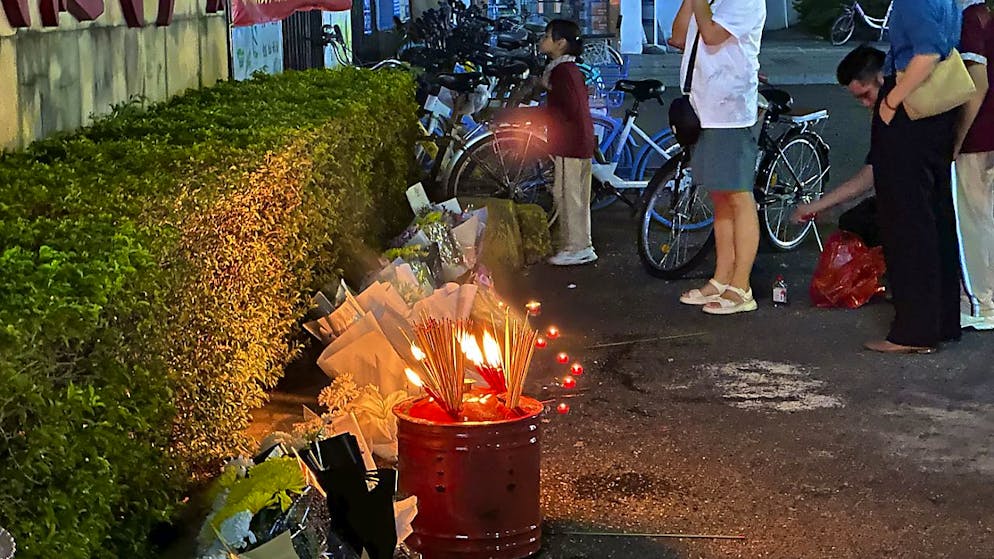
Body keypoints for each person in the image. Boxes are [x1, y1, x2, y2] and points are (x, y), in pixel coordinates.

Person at [861, 0, 962, 354]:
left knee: (907, 220)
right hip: (938, 110)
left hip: (911, 111)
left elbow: (928, 51)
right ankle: (942, 320)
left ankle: (914, 330)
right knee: (934, 216)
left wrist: (891, 102)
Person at [671, 0, 766, 315]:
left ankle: (742, 286)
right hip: (704, 109)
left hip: (731, 110)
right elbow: (679, 36)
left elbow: (711, 35)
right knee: (719, 196)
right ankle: (722, 278)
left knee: (739, 195)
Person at [502, 19, 597, 266]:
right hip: (576, 141)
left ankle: (578, 247)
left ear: (560, 43)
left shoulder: (563, 72)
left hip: (571, 143)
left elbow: (567, 108)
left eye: (547, 36)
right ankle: (576, 244)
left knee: (571, 196)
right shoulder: (565, 69)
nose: (542, 40)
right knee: (570, 195)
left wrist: (533, 115)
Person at [791, 46, 884, 234]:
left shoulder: (896, 119)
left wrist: (817, 206)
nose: (865, 104)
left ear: (881, 78)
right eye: (859, 99)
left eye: (866, 95)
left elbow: (869, 176)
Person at [953, 0, 994, 330]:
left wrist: (955, 140)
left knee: (975, 222)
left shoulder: (973, 18)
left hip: (980, 135)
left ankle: (980, 303)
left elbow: (976, 84)